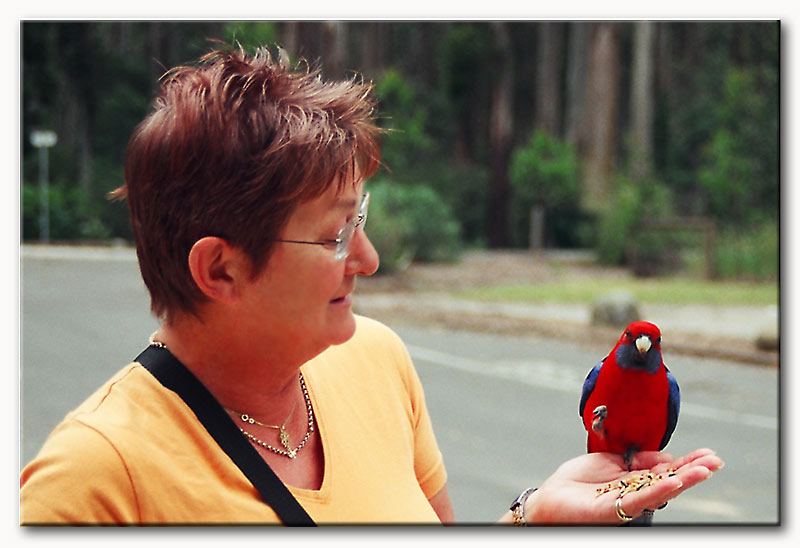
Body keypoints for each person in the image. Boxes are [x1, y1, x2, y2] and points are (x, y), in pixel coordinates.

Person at [19, 44, 723, 525]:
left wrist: (535, 516)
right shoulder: (91, 484)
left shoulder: (376, 361)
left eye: (362, 216)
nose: (369, 256)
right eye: (333, 233)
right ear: (220, 269)